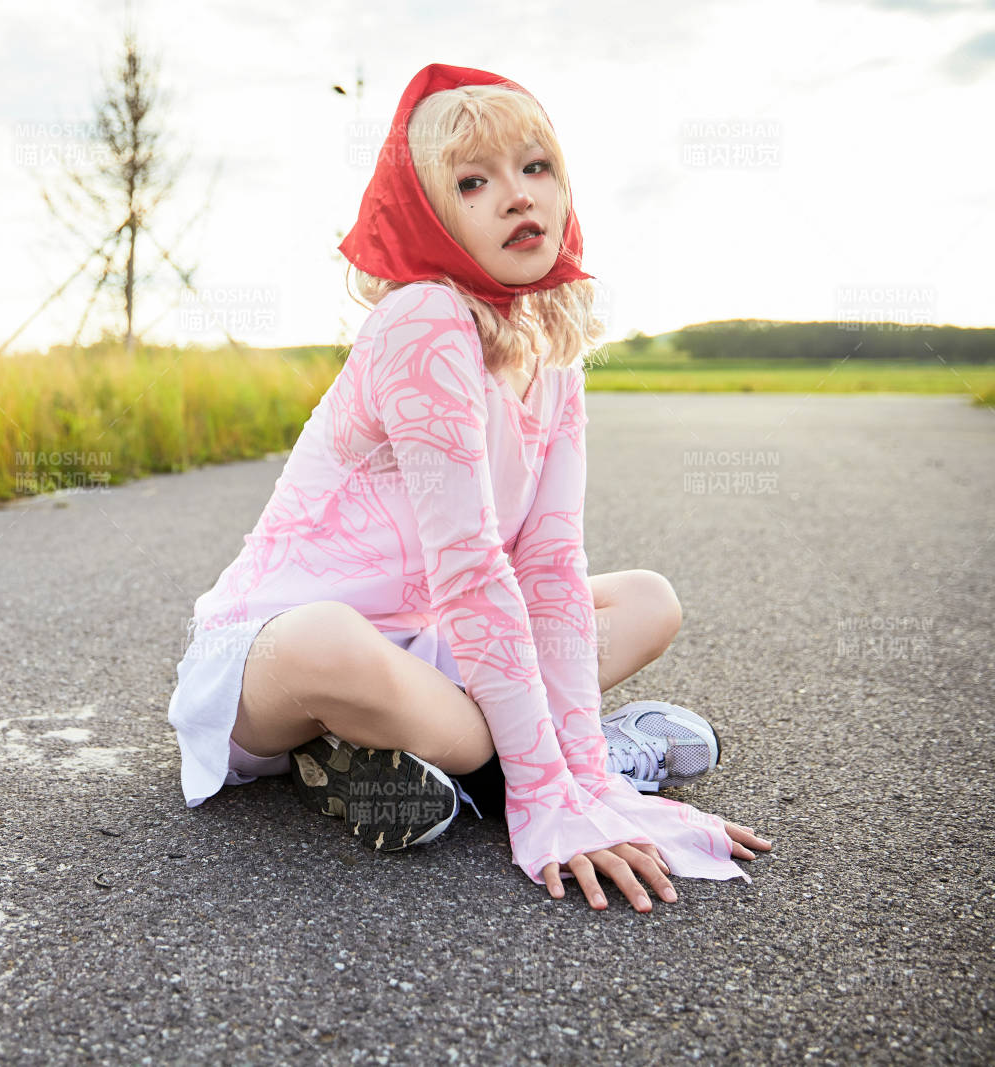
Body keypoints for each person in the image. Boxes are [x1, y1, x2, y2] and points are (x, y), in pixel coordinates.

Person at [165, 64, 772, 912]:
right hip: (277, 658)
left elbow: (548, 563)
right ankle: (513, 760)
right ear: (431, 213)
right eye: (473, 183)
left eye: (536, 167)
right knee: (331, 639)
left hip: (430, 644)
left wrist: (584, 781)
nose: (517, 196)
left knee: (647, 599)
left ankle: (418, 764)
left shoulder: (552, 351)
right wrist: (551, 787)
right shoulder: (421, 321)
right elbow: (470, 565)